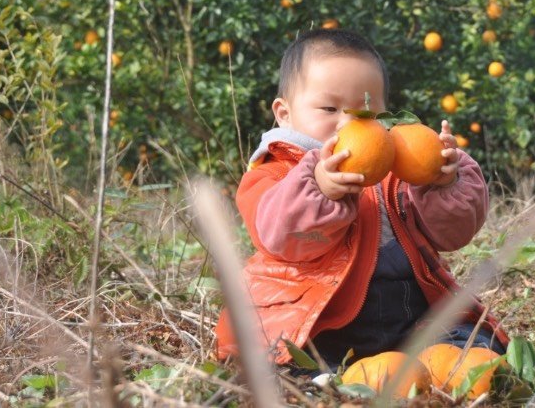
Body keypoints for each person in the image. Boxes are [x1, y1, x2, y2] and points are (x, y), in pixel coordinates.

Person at [214, 28, 507, 369]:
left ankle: (431, 369)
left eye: (366, 112)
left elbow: (453, 234)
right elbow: (282, 238)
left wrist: (441, 183)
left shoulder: (400, 167)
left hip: (410, 319)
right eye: (329, 108)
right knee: (293, 361)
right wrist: (319, 190)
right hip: (323, 322)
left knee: (472, 345)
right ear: (284, 113)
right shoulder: (274, 173)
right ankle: (328, 381)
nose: (349, 123)